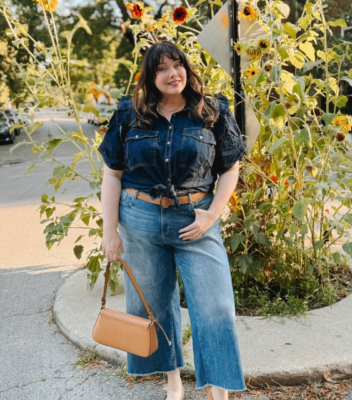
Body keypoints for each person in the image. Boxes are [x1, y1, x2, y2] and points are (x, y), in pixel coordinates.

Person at [99, 40, 247, 400]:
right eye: (161, 68)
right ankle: (173, 382)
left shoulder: (211, 111)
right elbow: (112, 174)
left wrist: (213, 214)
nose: (172, 73)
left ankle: (219, 390)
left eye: (176, 64)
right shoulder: (129, 115)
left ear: (187, 69)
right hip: (140, 222)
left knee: (215, 307)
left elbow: (230, 168)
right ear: (150, 77)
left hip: (195, 220)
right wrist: (110, 234)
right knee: (153, 306)